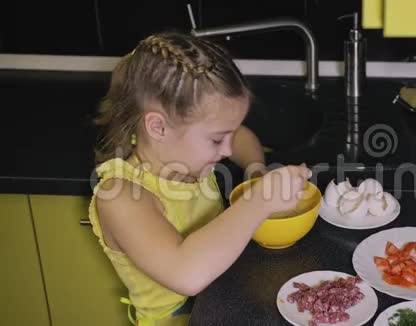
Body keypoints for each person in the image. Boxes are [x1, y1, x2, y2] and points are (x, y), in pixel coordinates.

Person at [88, 31, 311, 326]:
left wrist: (256, 170)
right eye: (217, 140)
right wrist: (259, 201)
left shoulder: (190, 159)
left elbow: (241, 137)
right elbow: (186, 273)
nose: (228, 149)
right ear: (158, 127)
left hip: (225, 297)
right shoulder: (121, 196)